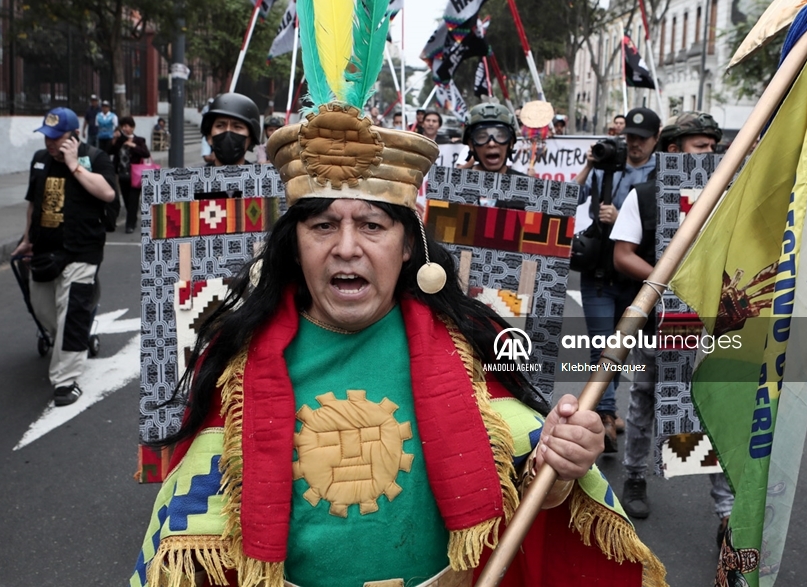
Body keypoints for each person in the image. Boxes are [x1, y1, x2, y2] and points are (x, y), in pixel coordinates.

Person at [132, 103, 669, 587]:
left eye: (372, 225)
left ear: (409, 243)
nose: (347, 248)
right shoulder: (236, 360)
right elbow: (197, 537)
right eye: (322, 225)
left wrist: (562, 459)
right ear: (294, 246)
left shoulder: (473, 344)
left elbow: (524, 497)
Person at [609, 112, 732, 541]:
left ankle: (726, 513)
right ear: (675, 150)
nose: (710, 154)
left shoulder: (724, 199)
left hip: (710, 324)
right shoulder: (644, 195)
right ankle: (635, 475)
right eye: (701, 146)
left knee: (706, 406)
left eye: (714, 146)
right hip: (659, 321)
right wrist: (669, 285)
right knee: (646, 398)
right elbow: (622, 254)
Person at [10, 108, 116, 406]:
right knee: (43, 308)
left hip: (83, 250)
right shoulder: (40, 161)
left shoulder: (94, 159)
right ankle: (74, 339)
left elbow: (108, 194)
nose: (51, 144)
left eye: (57, 138)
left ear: (73, 137)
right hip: (45, 250)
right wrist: (27, 240)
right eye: (47, 137)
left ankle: (66, 380)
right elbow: (34, 203)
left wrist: (74, 166)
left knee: (70, 313)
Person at [572, 107, 660, 452]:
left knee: (620, 347)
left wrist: (622, 216)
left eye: (641, 139)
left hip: (633, 275)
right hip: (597, 270)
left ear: (655, 139)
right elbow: (572, 198)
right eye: (630, 138)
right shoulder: (608, 163)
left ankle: (607, 409)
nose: (634, 145)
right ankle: (606, 414)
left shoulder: (660, 175)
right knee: (602, 345)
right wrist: (591, 165)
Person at [109, 115, 151, 234]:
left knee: (133, 200)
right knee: (127, 200)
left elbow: (146, 153)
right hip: (122, 174)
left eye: (127, 126)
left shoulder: (139, 140)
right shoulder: (120, 141)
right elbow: (109, 151)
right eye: (123, 126)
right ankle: (133, 218)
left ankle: (130, 224)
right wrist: (114, 140)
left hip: (135, 175)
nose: (125, 128)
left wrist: (134, 146)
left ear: (132, 127)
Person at [460, 102, 524, 176]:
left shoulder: (526, 185)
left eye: (499, 135)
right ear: (471, 144)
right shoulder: (456, 183)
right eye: (482, 136)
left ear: (511, 142)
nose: (491, 143)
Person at [200, 93, 261, 168]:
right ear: (209, 137)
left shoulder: (264, 178)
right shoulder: (193, 178)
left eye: (237, 127)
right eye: (220, 126)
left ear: (251, 139)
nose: (228, 131)